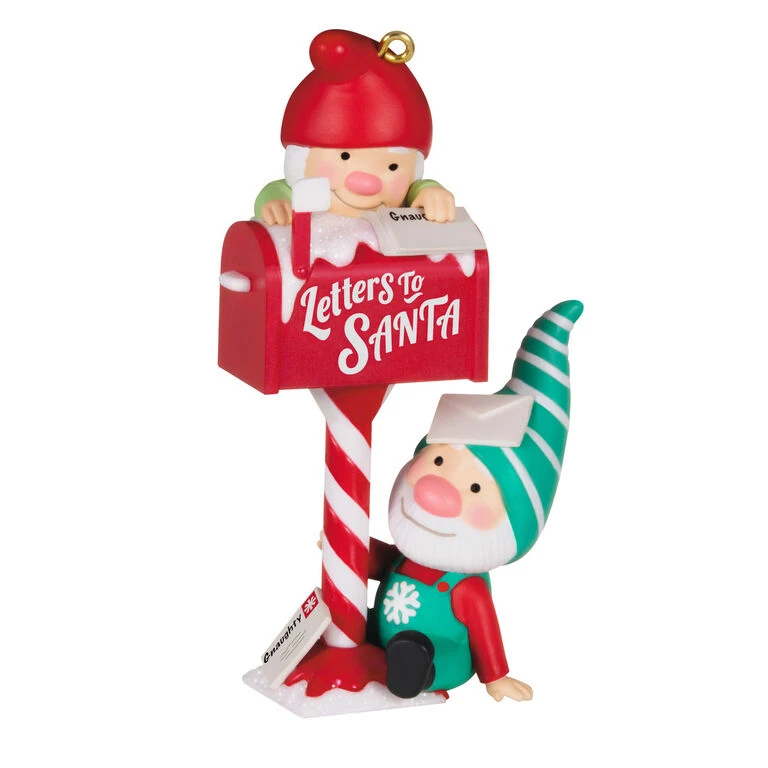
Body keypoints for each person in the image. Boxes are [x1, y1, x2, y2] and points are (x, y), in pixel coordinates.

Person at [254, 29, 456, 226]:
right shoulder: (300, 193)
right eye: (345, 156)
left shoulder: (405, 198)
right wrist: (275, 203)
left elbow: (418, 189)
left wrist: (431, 193)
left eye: (393, 166)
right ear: (300, 160)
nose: (366, 185)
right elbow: (277, 191)